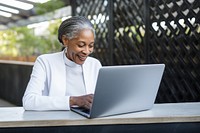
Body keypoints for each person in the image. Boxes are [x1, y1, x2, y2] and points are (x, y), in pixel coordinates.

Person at [22, 16, 102, 111]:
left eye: (91, 46)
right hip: (55, 122)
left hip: (89, 122)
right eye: (81, 45)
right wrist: (73, 101)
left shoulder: (95, 65)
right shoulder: (45, 62)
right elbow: (29, 101)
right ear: (65, 40)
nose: (86, 51)